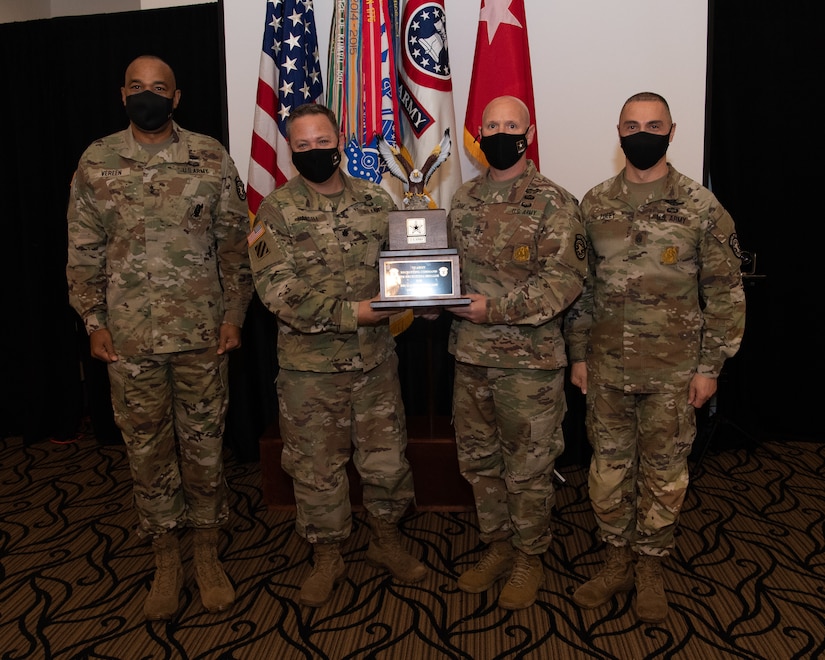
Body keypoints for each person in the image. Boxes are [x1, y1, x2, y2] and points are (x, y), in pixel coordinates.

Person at [66, 55, 253, 620]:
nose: (148, 95)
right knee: (146, 451)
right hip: (129, 341)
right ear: (122, 94)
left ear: (177, 98)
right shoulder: (97, 160)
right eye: (138, 87)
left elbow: (234, 248)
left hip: (202, 336)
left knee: (203, 446)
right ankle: (165, 556)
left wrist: (234, 317)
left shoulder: (209, 156)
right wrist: (93, 322)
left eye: (160, 88)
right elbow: (83, 252)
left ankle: (206, 550)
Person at [564, 91, 746, 623]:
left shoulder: (699, 206)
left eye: (653, 124)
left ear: (672, 131)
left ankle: (651, 566)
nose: (642, 132)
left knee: (665, 474)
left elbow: (726, 292)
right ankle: (617, 560)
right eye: (631, 124)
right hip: (607, 370)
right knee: (608, 471)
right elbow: (584, 289)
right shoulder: (594, 204)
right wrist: (578, 355)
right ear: (618, 133)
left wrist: (711, 366)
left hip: (674, 373)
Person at [247, 103, 427, 608]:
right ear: (290, 149)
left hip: (375, 365)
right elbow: (277, 293)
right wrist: (356, 313)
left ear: (340, 139)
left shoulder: (376, 201)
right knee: (316, 471)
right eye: (301, 145)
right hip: (311, 372)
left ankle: (386, 542)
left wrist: (428, 295)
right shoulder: (274, 212)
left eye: (321, 141)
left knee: (387, 463)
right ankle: (327, 556)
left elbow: (407, 269)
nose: (314, 151)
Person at [446, 95, 588, 610]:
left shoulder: (554, 201)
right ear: (478, 133)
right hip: (470, 358)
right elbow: (449, 274)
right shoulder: (462, 200)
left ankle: (531, 555)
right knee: (480, 463)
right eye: (491, 124)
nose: (500, 132)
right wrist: (431, 297)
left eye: (511, 125)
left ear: (528, 135)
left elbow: (565, 282)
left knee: (527, 467)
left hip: (529, 363)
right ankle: (498, 545)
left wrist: (495, 310)